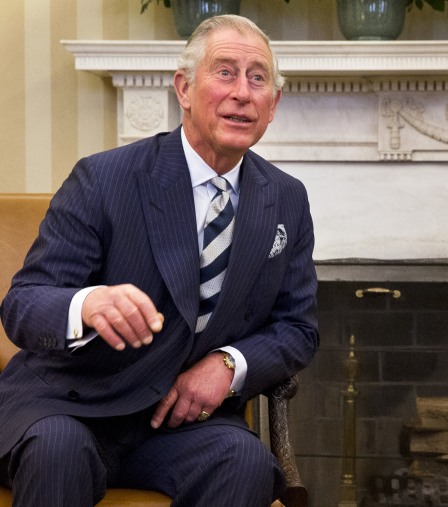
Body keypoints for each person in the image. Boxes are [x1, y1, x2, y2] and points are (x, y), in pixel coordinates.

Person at [0, 15, 318, 507]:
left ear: (272, 106)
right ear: (184, 89)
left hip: (180, 427)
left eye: (258, 78)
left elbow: (297, 328)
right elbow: (23, 305)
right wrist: (86, 304)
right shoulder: (103, 180)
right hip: (72, 407)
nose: (242, 92)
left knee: (247, 463)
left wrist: (228, 364)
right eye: (225, 72)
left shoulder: (287, 198)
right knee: (56, 451)